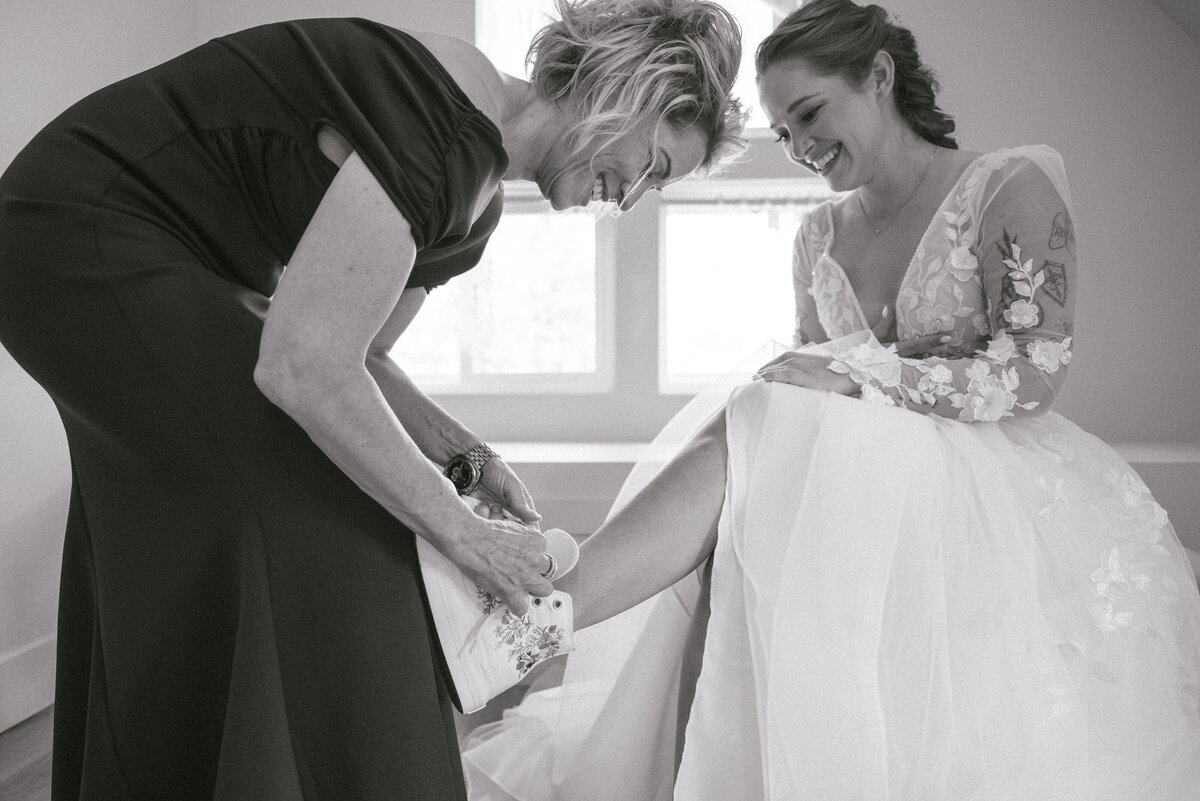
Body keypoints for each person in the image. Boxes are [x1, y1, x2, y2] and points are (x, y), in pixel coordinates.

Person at [0, 1, 744, 798]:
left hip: (161, 259)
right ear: (628, 92)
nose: (629, 198)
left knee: (192, 537)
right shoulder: (447, 115)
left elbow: (363, 352)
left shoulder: (476, 203)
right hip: (87, 225)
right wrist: (465, 533)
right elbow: (305, 366)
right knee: (355, 525)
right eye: (654, 167)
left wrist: (467, 457)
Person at [460, 1, 1200, 798]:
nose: (803, 148)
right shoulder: (819, 235)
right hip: (859, 491)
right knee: (760, 420)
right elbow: (814, 387)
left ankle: (537, 612)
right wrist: (815, 379)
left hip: (985, 484)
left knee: (759, 421)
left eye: (810, 114)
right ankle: (558, 630)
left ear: (879, 77)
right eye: (785, 134)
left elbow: (1033, 370)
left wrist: (862, 376)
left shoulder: (1006, 185)